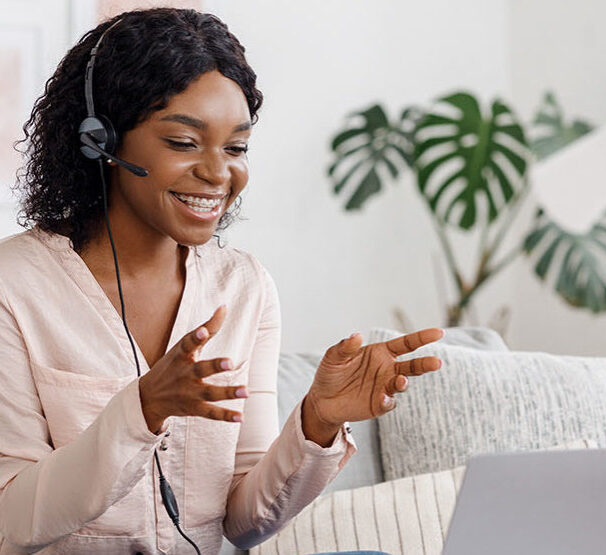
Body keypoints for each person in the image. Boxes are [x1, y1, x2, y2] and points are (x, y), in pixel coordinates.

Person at [0, 8, 444, 555]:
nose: (218, 173)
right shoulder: (14, 287)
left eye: (235, 147)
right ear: (101, 143)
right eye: (184, 143)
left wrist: (318, 421)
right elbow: (11, 519)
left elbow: (243, 522)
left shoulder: (244, 288)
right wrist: (141, 410)